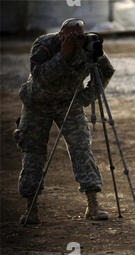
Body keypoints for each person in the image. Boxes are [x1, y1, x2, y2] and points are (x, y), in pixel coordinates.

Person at [14, 18, 115, 224]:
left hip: (69, 103)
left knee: (81, 147)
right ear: (60, 35)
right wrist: (64, 54)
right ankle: (31, 208)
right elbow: (40, 75)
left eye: (78, 36)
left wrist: (86, 97)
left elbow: (106, 71)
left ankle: (93, 204)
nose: (75, 40)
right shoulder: (45, 45)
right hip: (37, 103)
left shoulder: (89, 47)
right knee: (33, 152)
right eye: (69, 36)